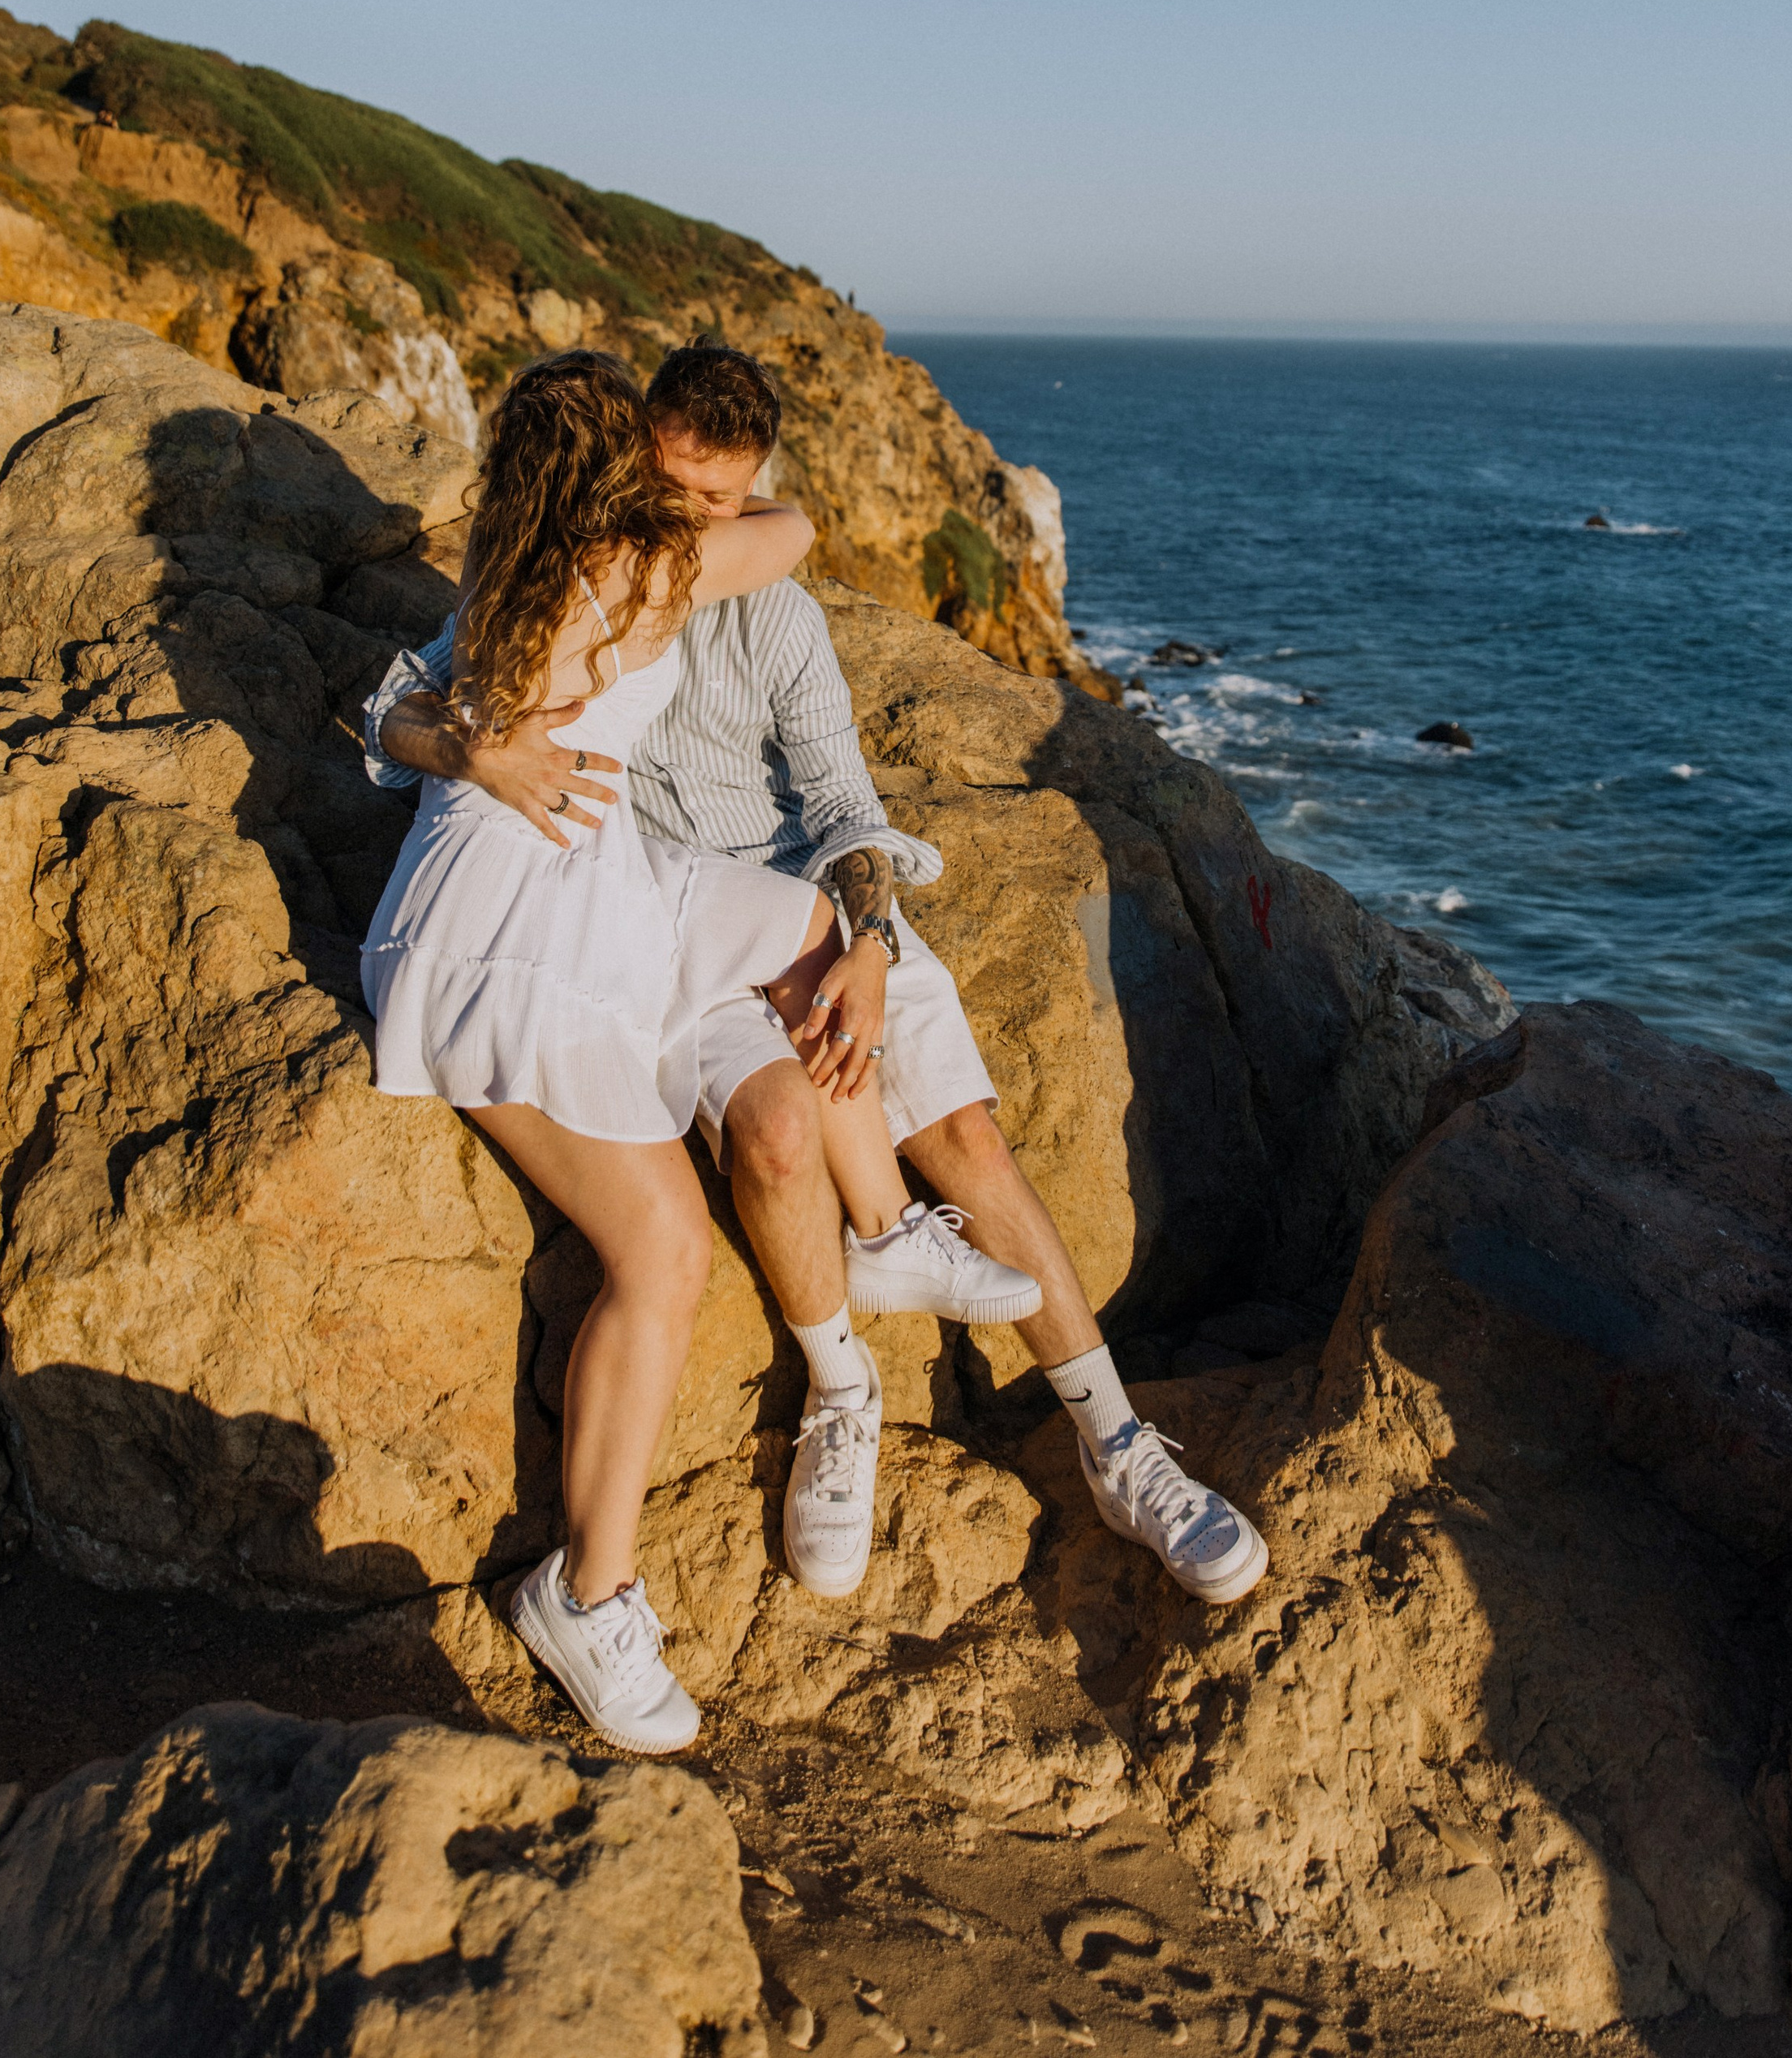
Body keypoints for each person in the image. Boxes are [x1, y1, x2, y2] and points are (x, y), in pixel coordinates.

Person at [368, 341, 1269, 1613]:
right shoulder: (585, 566)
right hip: (649, 929)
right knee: (781, 1130)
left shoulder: (774, 611)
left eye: (725, 499)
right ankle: (846, 1395)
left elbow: (846, 802)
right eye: (678, 489)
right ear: (633, 464)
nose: (700, 517)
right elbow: (395, 707)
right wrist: (474, 752)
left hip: (809, 903)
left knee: (964, 1134)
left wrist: (870, 943)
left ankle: (1119, 1444)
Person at [361, 347, 1037, 1758]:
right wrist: (485, 749)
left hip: (572, 872)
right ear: (612, 476)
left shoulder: (518, 566)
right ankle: (585, 1593)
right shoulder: (637, 571)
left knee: (807, 922)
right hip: (502, 935)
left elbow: (384, 711)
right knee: (662, 1253)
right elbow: (791, 532)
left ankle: (883, 1231)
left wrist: (471, 747)